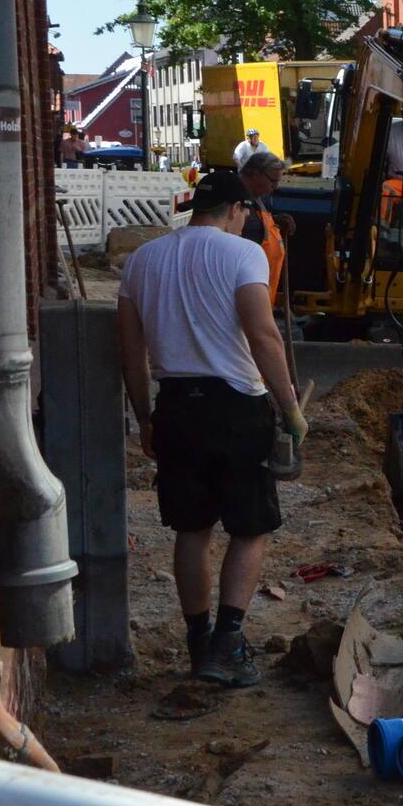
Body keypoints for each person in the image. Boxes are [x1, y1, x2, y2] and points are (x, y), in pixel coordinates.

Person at [116, 170, 305, 688]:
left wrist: (145, 418)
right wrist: (290, 408)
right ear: (236, 209)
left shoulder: (141, 262)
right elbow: (262, 334)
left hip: (176, 406)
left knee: (192, 529)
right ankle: (228, 642)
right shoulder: (242, 255)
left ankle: (198, 641)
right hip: (236, 406)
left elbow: (131, 355)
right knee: (250, 528)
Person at [237, 151, 292, 307]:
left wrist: (274, 222)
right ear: (255, 175)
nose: (276, 187)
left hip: (261, 301)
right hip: (248, 304)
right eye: (273, 181)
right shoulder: (238, 203)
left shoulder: (255, 198)